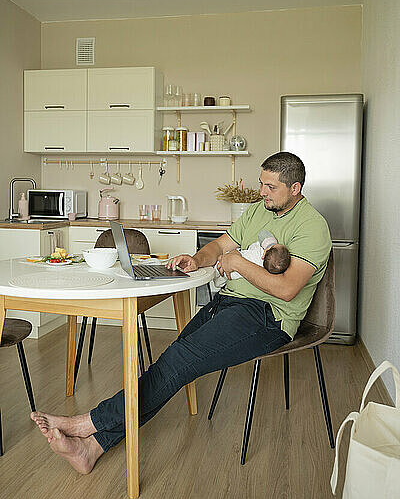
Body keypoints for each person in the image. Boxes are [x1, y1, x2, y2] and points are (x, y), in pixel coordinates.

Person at [31, 152, 332, 475]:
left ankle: (87, 424)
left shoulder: (312, 227)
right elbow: (219, 247)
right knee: (173, 363)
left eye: (271, 187)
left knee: (177, 362)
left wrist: (239, 264)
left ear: (295, 188)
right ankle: (91, 448)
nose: (261, 192)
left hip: (269, 317)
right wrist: (197, 259)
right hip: (230, 303)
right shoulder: (259, 211)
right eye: (261, 183)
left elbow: (287, 289)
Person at [213, 230, 291, 288]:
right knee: (223, 278)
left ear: (263, 255)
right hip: (234, 274)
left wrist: (270, 244)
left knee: (219, 270)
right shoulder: (267, 268)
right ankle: (217, 282)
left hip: (232, 259)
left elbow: (263, 233)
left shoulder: (261, 251)